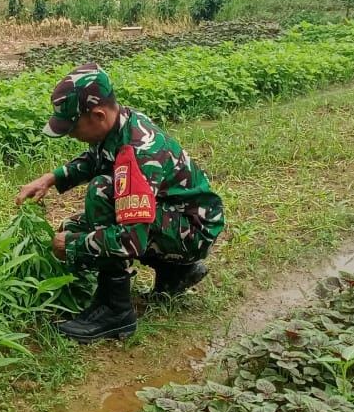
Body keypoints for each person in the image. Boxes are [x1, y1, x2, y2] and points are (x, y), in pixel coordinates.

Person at [16, 63, 225, 343]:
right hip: (177, 217)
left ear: (98, 115)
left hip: (193, 231)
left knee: (101, 194)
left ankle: (116, 312)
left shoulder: (138, 152)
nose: (71, 135)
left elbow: (130, 239)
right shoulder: (120, 124)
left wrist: (74, 246)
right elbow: (96, 158)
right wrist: (50, 178)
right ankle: (175, 272)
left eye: (73, 128)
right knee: (76, 224)